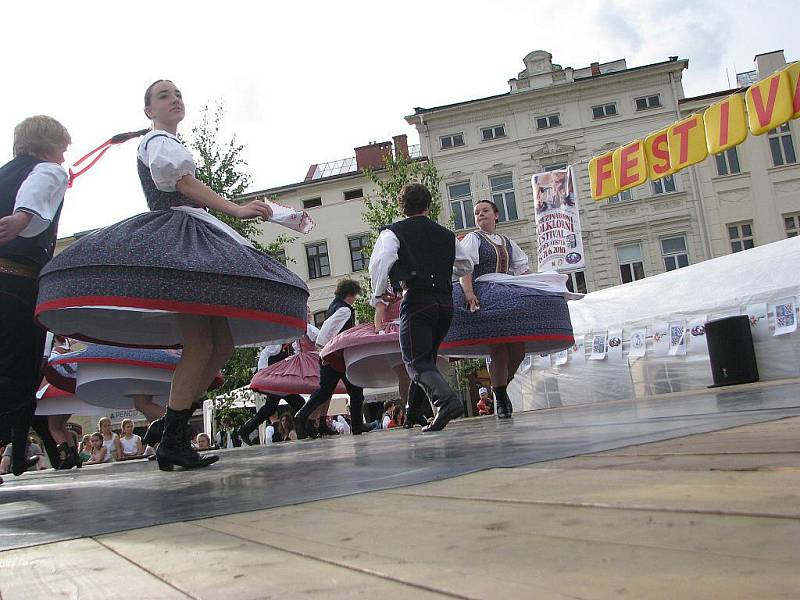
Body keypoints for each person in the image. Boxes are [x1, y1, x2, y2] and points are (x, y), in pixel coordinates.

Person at [35, 80, 310, 471]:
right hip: (178, 239)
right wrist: (234, 209)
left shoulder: (166, 142)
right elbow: (181, 182)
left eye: (178, 93)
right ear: (149, 110)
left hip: (192, 231)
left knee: (221, 346)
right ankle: (173, 438)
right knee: (200, 344)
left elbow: (186, 183)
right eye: (164, 95)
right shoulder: (155, 141)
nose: (174, 99)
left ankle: (170, 428)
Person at [440, 200, 575, 418]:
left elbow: (522, 270)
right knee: (499, 349)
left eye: (485, 211)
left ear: (496, 215)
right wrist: (468, 292)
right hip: (484, 290)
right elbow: (465, 267)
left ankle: (499, 389)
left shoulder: (507, 242)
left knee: (518, 350)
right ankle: (501, 399)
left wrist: (539, 284)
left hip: (504, 288)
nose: (480, 215)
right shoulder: (473, 238)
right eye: (476, 212)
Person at [369, 183, 472, 432]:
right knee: (425, 358)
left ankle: (446, 401)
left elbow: (381, 263)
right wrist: (442, 267)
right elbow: (466, 265)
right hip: (445, 303)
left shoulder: (393, 233)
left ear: (401, 207)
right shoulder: (446, 234)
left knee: (414, 361)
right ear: (429, 205)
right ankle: (413, 412)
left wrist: (379, 297)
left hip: (417, 300)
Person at [0, 115, 71, 477]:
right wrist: (24, 218)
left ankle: (17, 447)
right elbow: (40, 188)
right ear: (49, 145)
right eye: (62, 148)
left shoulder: (3, 173)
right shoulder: (48, 170)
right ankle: (12, 443)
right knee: (18, 370)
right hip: (18, 283)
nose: (64, 157)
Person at [293, 279, 369, 439]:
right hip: (337, 357)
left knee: (325, 391)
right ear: (350, 294)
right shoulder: (344, 310)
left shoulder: (334, 306)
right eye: (354, 295)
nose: (355, 299)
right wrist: (324, 348)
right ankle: (356, 425)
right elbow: (323, 334)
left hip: (332, 356)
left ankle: (302, 415)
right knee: (355, 390)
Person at [239, 316, 319, 445]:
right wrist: (262, 376)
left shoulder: (289, 343)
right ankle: (307, 431)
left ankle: (245, 430)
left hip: (281, 380)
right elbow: (265, 355)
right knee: (297, 404)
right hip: (275, 380)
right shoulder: (277, 344)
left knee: (272, 407)